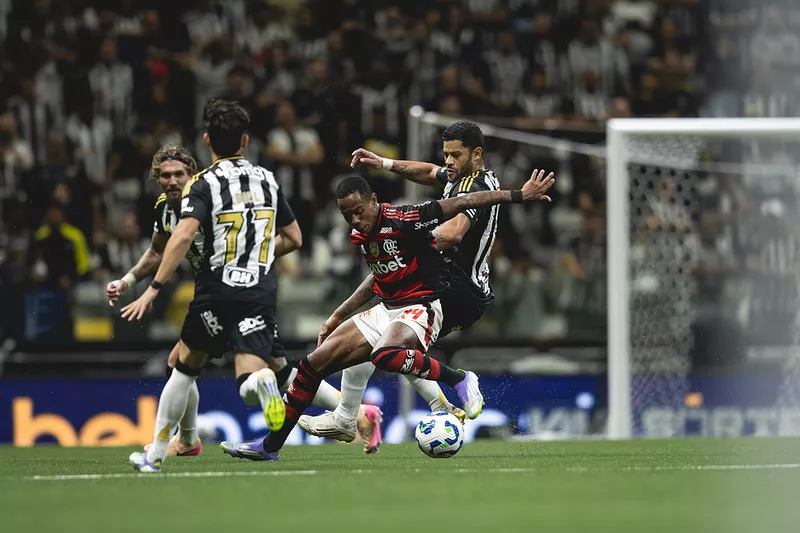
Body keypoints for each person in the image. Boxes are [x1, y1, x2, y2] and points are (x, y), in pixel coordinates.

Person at [219, 168, 554, 460]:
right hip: (387, 308)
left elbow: (461, 203)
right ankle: (269, 446)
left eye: (359, 211)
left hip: (422, 306)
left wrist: (517, 195)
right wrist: (338, 314)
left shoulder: (404, 218)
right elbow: (377, 279)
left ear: (375, 200)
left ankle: (459, 378)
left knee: (385, 355)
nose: (354, 220)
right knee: (310, 366)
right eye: (347, 214)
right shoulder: (359, 233)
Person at [119, 100, 368, 473]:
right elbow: (295, 237)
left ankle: (156, 454)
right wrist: (259, 256)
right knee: (256, 372)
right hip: (260, 289)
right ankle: (265, 390)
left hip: (216, 287)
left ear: (206, 141)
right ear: (246, 140)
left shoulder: (202, 184)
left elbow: (183, 234)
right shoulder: (267, 179)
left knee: (184, 368)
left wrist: (153, 287)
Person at [299, 121, 503, 451]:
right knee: (377, 335)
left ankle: (356, 414)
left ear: (476, 154)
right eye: (445, 154)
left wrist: (403, 241)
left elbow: (453, 233)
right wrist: (385, 164)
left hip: (460, 289)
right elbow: (427, 172)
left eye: (455, 155)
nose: (447, 161)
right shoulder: (458, 177)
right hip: (445, 280)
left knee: (386, 339)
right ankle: (349, 416)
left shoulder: (475, 186)